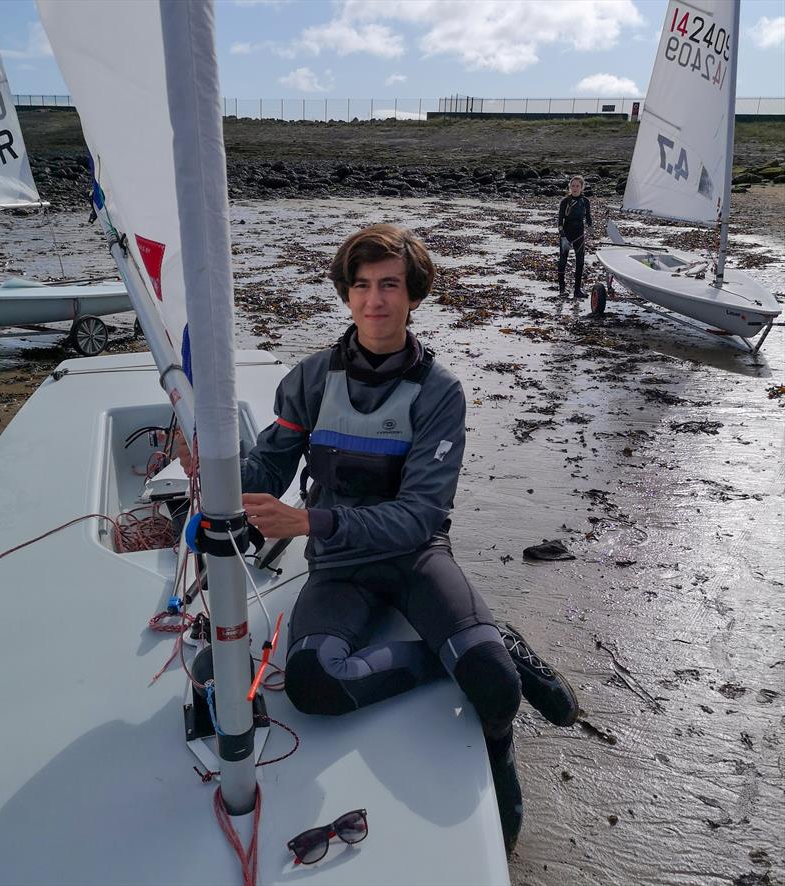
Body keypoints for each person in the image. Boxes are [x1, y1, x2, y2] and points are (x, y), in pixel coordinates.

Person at [178, 224, 579, 852]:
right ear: (346, 294)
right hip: (340, 569)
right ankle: (453, 656)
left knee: (497, 685)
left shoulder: (440, 393)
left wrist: (311, 521)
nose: (374, 300)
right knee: (312, 684)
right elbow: (269, 467)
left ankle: (498, 740)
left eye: (389, 284)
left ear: (412, 294)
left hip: (414, 558)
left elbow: (420, 516)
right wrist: (215, 475)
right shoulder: (310, 380)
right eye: (361, 285)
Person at [557, 175, 592, 298]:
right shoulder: (565, 201)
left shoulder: (585, 201)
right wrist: (563, 236)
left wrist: (590, 228)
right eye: (573, 186)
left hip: (579, 235)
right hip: (566, 235)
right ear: (570, 187)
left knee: (580, 262)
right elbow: (560, 221)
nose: (575, 188)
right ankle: (562, 290)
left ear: (582, 187)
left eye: (577, 186)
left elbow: (588, 219)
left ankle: (577, 291)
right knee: (562, 262)